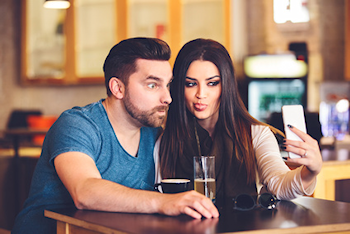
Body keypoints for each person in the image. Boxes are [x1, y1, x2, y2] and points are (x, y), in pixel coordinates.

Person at [12, 37, 218, 234]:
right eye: (153, 85)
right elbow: (84, 192)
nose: (168, 98)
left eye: (168, 85)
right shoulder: (77, 124)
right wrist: (166, 203)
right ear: (117, 88)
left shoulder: (154, 136)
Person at [156, 38, 323, 205]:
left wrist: (309, 172)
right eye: (191, 84)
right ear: (179, 87)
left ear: (226, 85)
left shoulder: (255, 134)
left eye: (212, 83)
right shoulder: (165, 140)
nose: (201, 94)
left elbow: (278, 184)